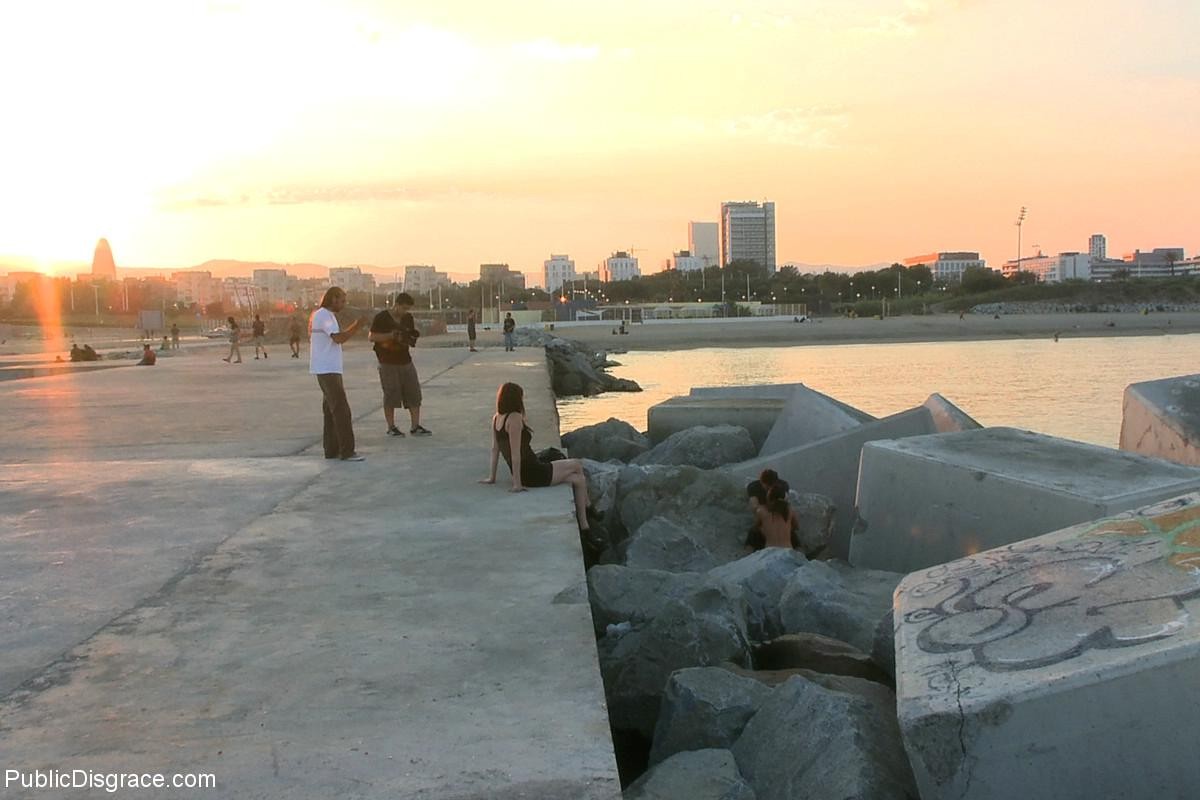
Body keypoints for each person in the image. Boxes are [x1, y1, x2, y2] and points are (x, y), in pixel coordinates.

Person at [480, 382, 599, 542]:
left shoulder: (496, 418)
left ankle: (585, 527)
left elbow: (495, 450)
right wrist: (517, 484)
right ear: (515, 399)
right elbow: (515, 455)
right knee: (577, 464)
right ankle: (590, 509)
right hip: (533, 471)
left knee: (578, 479)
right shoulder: (514, 418)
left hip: (530, 470)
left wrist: (492, 477)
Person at [310, 286, 363, 461]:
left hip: (326, 368)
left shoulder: (321, 315)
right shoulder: (325, 316)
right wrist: (357, 326)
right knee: (341, 411)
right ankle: (347, 451)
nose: (344, 304)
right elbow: (338, 338)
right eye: (342, 300)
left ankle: (331, 450)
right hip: (328, 370)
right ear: (333, 299)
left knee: (330, 411)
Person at [367, 292, 431, 438]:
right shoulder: (382, 317)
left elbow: (408, 336)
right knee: (391, 394)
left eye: (407, 309)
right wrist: (391, 335)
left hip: (405, 360)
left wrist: (409, 337)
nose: (405, 312)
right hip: (387, 361)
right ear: (396, 305)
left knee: (413, 392)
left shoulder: (407, 318)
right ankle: (391, 426)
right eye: (403, 308)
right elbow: (372, 337)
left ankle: (415, 426)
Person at [756, 484, 797, 549]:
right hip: (787, 551)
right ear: (784, 497)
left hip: (769, 551)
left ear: (768, 498)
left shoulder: (761, 511)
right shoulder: (790, 510)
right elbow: (796, 527)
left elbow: (757, 527)